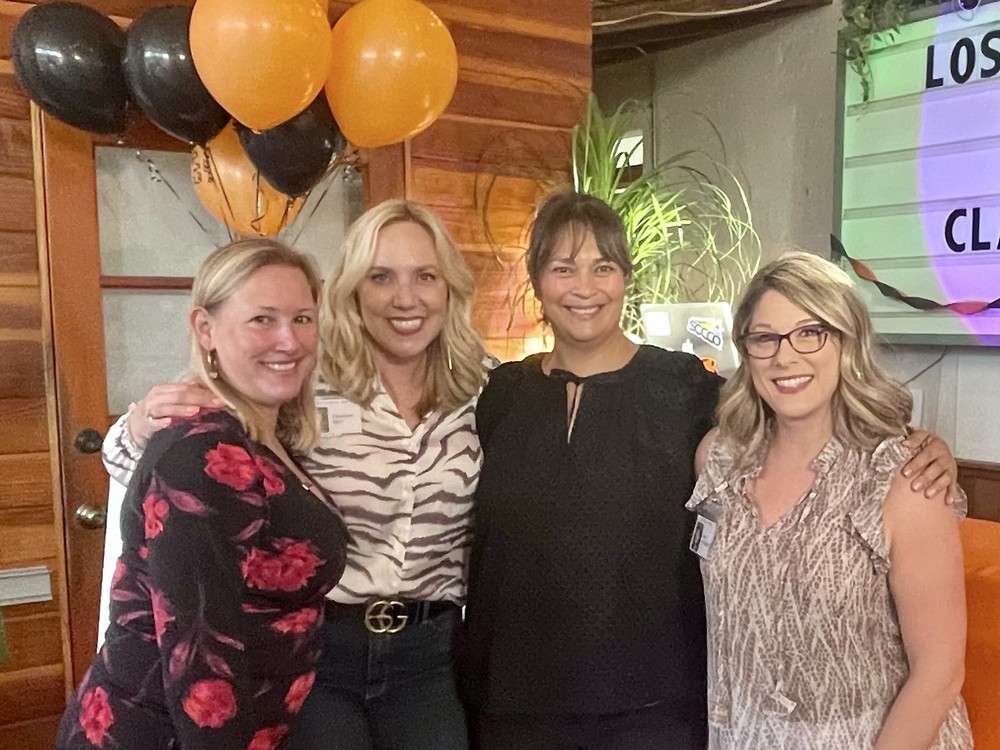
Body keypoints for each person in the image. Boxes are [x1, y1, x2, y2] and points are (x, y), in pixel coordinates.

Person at [459, 190, 962, 750]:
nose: (584, 287)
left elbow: (797, 410)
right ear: (535, 279)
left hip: (653, 713)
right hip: (515, 706)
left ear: (625, 277)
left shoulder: (687, 391)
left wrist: (922, 447)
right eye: (562, 268)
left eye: (602, 266)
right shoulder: (501, 395)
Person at [101, 200, 489, 750]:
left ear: (449, 286)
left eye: (426, 276)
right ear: (352, 289)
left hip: (427, 657)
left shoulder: (485, 389)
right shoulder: (301, 376)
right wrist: (138, 425)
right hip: (320, 654)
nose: (406, 298)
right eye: (381, 277)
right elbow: (171, 473)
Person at [57, 239, 350, 750]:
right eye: (262, 319)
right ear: (205, 328)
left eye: (302, 318)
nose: (289, 340)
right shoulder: (205, 453)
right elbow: (199, 656)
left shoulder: (261, 434)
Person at [689, 251, 972, 749]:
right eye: (765, 337)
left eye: (810, 332)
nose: (785, 356)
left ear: (846, 341)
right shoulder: (718, 460)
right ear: (746, 350)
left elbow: (940, 672)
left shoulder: (905, 479)